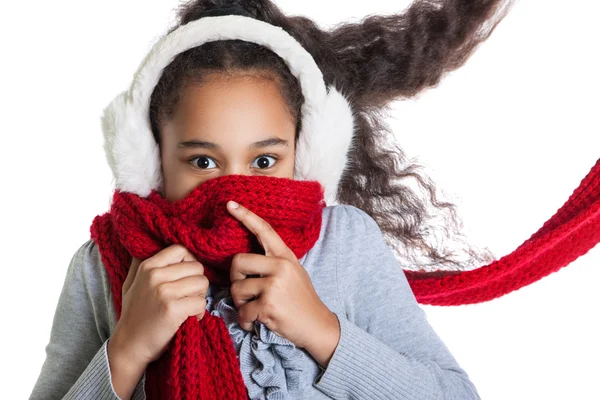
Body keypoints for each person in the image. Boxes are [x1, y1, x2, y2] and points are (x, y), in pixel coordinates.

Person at [29, 0, 519, 399]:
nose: (232, 193)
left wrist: (322, 330)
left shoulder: (345, 243)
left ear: (308, 155)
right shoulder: (103, 264)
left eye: (264, 162)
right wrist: (127, 352)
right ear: (150, 159)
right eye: (203, 161)